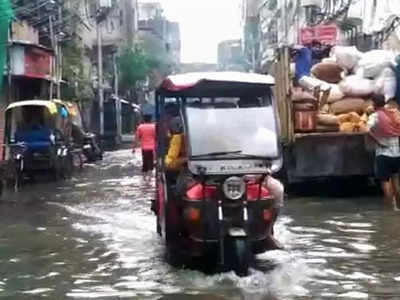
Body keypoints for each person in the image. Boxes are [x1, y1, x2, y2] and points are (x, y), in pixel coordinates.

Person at [367, 94, 400, 209]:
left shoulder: (375, 116)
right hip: (397, 153)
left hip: (383, 154)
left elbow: (368, 130)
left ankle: (390, 208)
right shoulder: (393, 114)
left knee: (385, 182)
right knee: (396, 180)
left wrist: (378, 141)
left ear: (374, 104)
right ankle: (398, 207)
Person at [135, 114, 156, 181]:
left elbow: (137, 138)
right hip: (152, 148)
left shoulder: (140, 127)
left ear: (144, 119)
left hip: (144, 148)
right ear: (151, 119)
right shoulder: (154, 127)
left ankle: (144, 179)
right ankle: (150, 178)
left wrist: (134, 148)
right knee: (151, 162)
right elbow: (156, 137)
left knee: (145, 162)